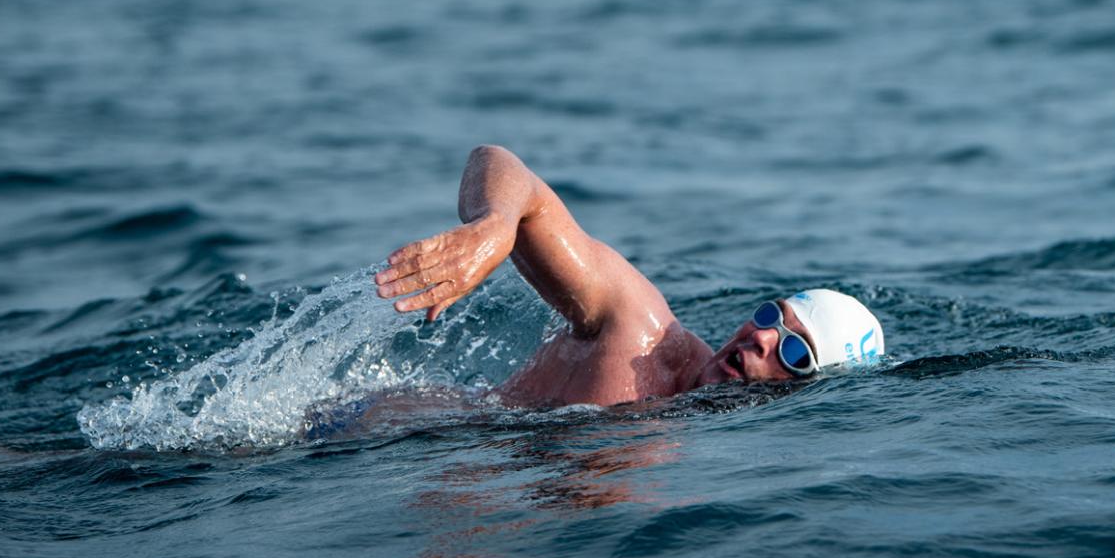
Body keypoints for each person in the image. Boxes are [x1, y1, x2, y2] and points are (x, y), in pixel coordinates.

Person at [375, 145, 884, 407]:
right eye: (773, 315)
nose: (762, 337)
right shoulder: (640, 329)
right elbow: (503, 166)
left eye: (795, 352)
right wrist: (496, 224)